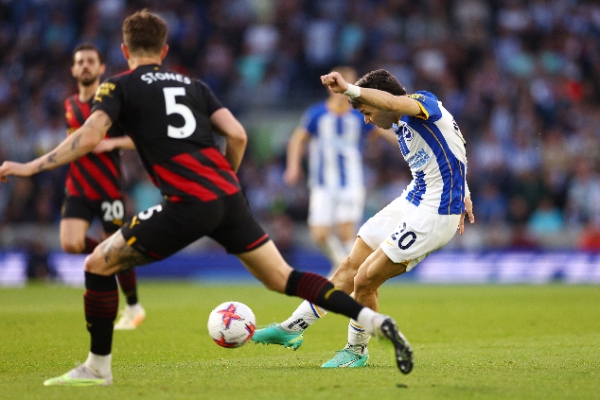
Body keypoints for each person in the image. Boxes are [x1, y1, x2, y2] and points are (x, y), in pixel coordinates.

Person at [0, 10, 412, 386]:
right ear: (164, 50)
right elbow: (237, 134)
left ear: (125, 51)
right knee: (282, 278)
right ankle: (371, 320)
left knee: (97, 264)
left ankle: (96, 368)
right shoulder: (191, 84)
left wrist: (30, 167)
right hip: (228, 196)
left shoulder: (118, 86)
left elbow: (89, 137)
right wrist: (225, 180)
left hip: (185, 202)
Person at [253, 69, 474, 368]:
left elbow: (398, 105)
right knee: (349, 266)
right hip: (413, 198)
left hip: (435, 212)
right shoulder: (399, 123)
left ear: (384, 101)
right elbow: (452, 145)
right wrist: (465, 189)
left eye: (368, 113)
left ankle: (356, 350)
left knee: (365, 280)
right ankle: (292, 328)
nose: (367, 120)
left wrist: (349, 90)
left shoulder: (422, 103)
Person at [62, 43, 146, 330]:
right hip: (77, 186)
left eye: (90, 61)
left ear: (100, 68)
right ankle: (110, 254)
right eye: (80, 61)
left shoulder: (111, 104)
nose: (85, 65)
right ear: (73, 70)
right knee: (70, 243)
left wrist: (111, 142)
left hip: (109, 187)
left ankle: (133, 306)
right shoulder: (69, 105)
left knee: (113, 246)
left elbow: (138, 138)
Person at [284, 66, 396, 275]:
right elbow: (297, 140)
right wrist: (293, 166)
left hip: (351, 182)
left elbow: (383, 132)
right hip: (322, 183)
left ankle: (346, 273)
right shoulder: (317, 114)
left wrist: (409, 143)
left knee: (346, 231)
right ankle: (347, 267)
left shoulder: (359, 113)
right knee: (319, 234)